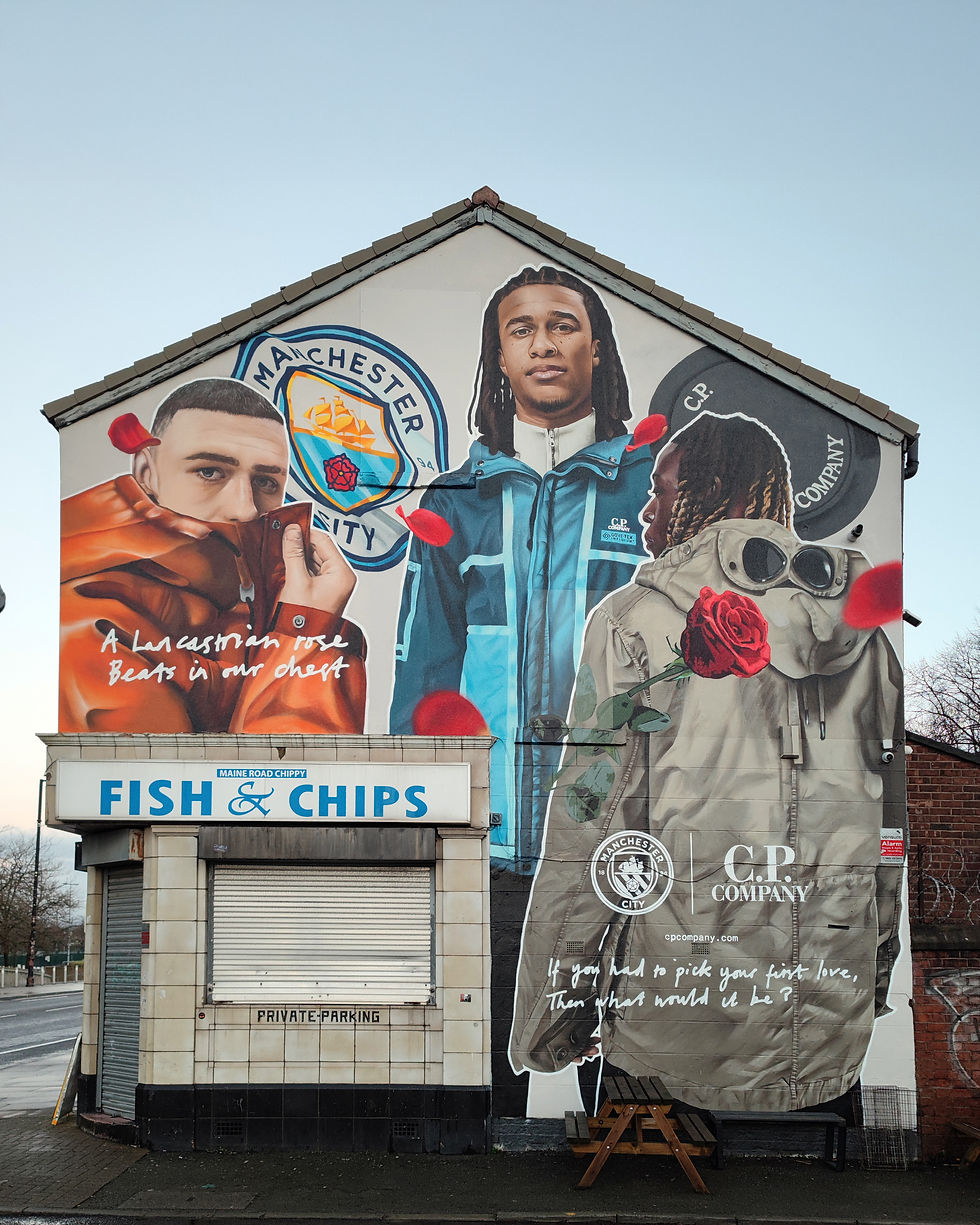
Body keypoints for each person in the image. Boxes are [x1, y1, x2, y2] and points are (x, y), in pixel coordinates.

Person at [510, 411, 905, 1112]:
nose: (646, 511)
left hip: (672, 1044)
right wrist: (871, 981)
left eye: (661, 492)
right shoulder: (866, 636)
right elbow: (887, 836)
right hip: (829, 1044)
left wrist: (553, 1021)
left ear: (714, 494)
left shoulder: (634, 619)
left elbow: (591, 831)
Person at [389, 265, 655, 871]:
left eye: (563, 326)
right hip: (487, 842)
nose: (543, 344)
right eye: (521, 330)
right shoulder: (455, 500)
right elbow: (424, 673)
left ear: (596, 348)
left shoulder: (652, 492)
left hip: (625, 843)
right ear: (500, 357)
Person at [60, 377, 366, 734]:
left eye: (266, 482)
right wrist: (306, 630)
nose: (246, 508)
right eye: (209, 472)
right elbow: (269, 784)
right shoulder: (94, 617)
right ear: (147, 473)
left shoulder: (262, 597)